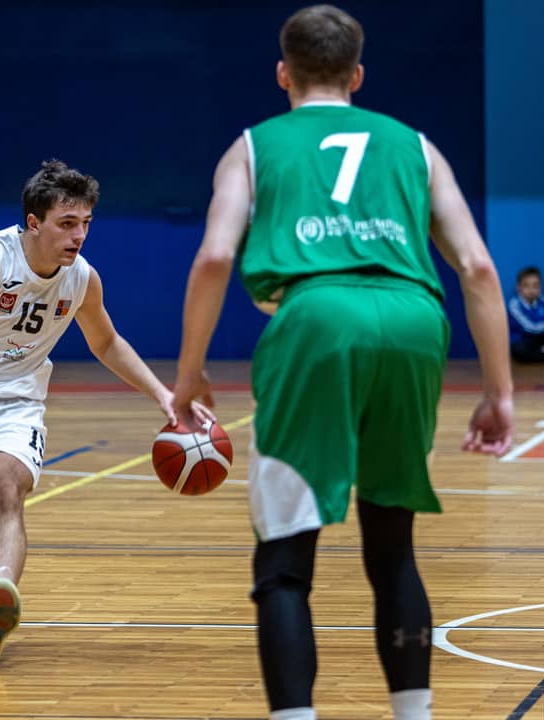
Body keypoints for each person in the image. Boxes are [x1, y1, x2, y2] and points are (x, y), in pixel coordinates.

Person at [170, 6, 514, 719]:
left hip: (317, 321)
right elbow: (479, 268)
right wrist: (498, 392)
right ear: (357, 75)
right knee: (393, 546)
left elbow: (213, 258)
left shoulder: (252, 147)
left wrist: (190, 371)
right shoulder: (416, 146)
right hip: (415, 322)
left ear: (283, 73)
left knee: (285, 561)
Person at [0, 160, 213, 665]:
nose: (79, 235)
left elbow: (106, 342)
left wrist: (164, 396)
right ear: (34, 223)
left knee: (5, 491)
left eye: (85, 223)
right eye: (67, 223)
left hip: (12, 404)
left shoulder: (82, 279)